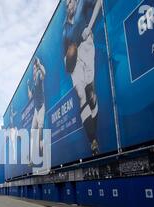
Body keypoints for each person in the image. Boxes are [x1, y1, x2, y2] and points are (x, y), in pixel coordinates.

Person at [63, 0, 102, 156]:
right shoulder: (64, 28)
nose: (68, 5)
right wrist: (69, 58)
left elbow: (99, 2)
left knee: (90, 92)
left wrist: (89, 27)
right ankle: (93, 141)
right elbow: (64, 57)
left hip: (86, 46)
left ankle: (94, 132)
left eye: (69, 2)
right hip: (75, 60)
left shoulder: (83, 3)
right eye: (66, 4)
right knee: (81, 94)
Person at [27, 57, 47, 165]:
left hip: (41, 107)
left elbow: (44, 73)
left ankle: (41, 152)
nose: (33, 71)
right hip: (36, 109)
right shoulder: (34, 83)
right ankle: (33, 156)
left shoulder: (39, 75)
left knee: (39, 133)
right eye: (33, 69)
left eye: (34, 68)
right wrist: (28, 87)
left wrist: (39, 65)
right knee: (32, 131)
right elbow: (30, 96)